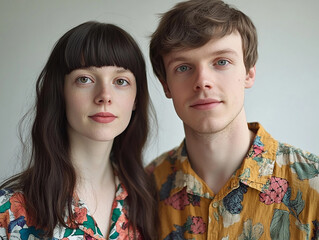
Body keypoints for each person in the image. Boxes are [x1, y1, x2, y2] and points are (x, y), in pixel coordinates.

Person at [147, 0, 319, 239]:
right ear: (166, 85)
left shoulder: (314, 184)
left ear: (249, 73)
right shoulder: (145, 187)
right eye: (184, 67)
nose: (203, 81)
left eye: (221, 62)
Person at [0, 21, 157, 239]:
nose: (105, 95)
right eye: (84, 79)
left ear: (136, 99)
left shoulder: (149, 201)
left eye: (121, 81)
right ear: (59, 92)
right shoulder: (9, 211)